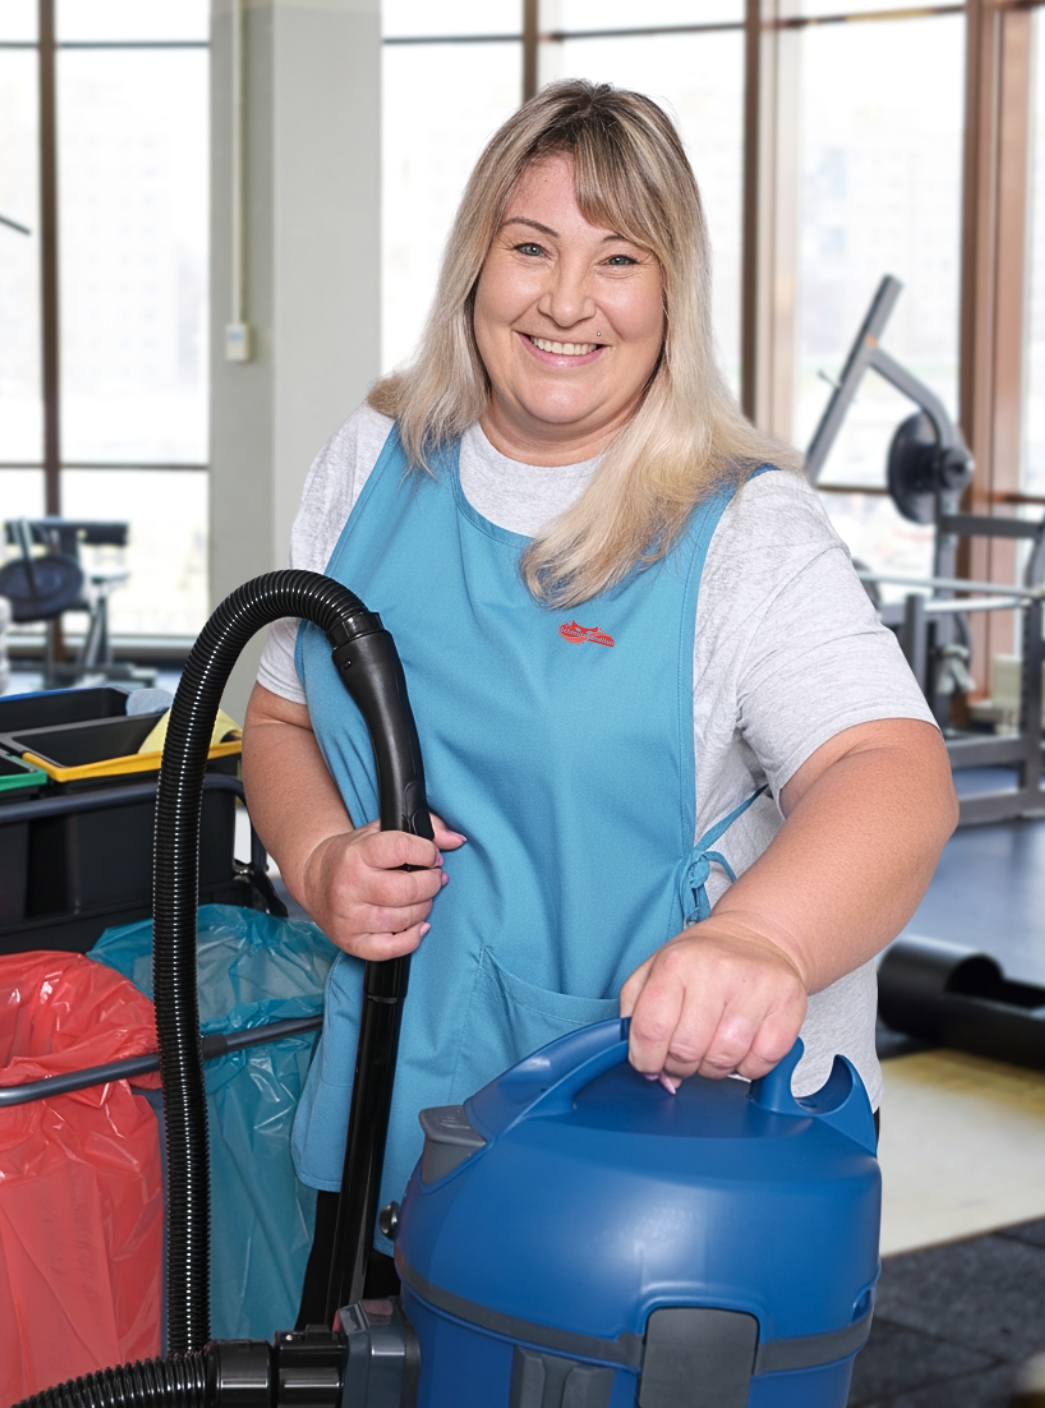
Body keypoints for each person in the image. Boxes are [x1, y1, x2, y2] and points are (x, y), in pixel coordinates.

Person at [242, 80, 957, 1310]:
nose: (566, 300)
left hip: (663, 1181)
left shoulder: (742, 524)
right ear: (477, 264)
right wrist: (315, 859)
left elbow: (892, 777)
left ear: (669, 292)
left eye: (617, 258)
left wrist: (758, 939)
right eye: (531, 248)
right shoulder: (372, 460)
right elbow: (284, 711)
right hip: (399, 1112)